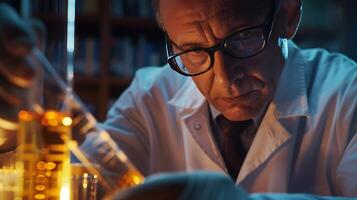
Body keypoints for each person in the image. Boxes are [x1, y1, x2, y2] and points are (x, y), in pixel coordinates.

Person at [80, 0, 357, 199]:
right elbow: (80, 176)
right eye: (194, 50)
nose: (225, 79)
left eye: (242, 38)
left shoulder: (347, 95)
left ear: (289, 14)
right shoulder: (149, 95)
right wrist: (38, 81)